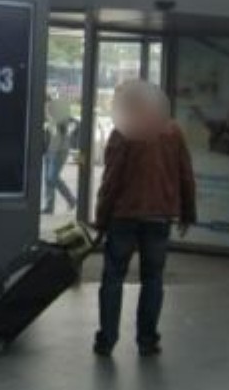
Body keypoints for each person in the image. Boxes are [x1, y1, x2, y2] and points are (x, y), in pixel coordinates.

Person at [93, 79, 197, 357]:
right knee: (153, 278)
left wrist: (101, 219)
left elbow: (111, 180)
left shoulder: (124, 131)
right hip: (159, 216)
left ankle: (107, 340)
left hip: (124, 216)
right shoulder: (172, 131)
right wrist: (187, 213)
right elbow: (185, 174)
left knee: (113, 277)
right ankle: (147, 341)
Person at [42, 95, 78, 215]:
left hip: (60, 150)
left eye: (47, 105)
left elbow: (71, 125)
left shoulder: (58, 112)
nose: (46, 107)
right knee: (48, 179)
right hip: (49, 150)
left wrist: (51, 117)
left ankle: (71, 200)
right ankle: (49, 206)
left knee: (52, 177)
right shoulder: (44, 114)